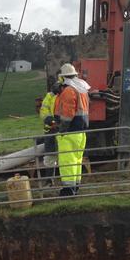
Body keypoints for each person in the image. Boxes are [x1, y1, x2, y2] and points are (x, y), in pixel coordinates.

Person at [54, 63, 90, 196]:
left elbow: (67, 115)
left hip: (69, 132)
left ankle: (68, 190)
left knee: (67, 161)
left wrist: (61, 130)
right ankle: (75, 186)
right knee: (76, 160)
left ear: (63, 78)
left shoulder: (69, 91)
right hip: (80, 132)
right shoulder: (82, 89)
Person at [39, 76, 62, 181]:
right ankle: (49, 181)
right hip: (51, 131)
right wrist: (49, 119)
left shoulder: (68, 95)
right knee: (49, 158)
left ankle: (63, 181)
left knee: (64, 157)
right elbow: (44, 110)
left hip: (62, 130)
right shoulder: (50, 96)